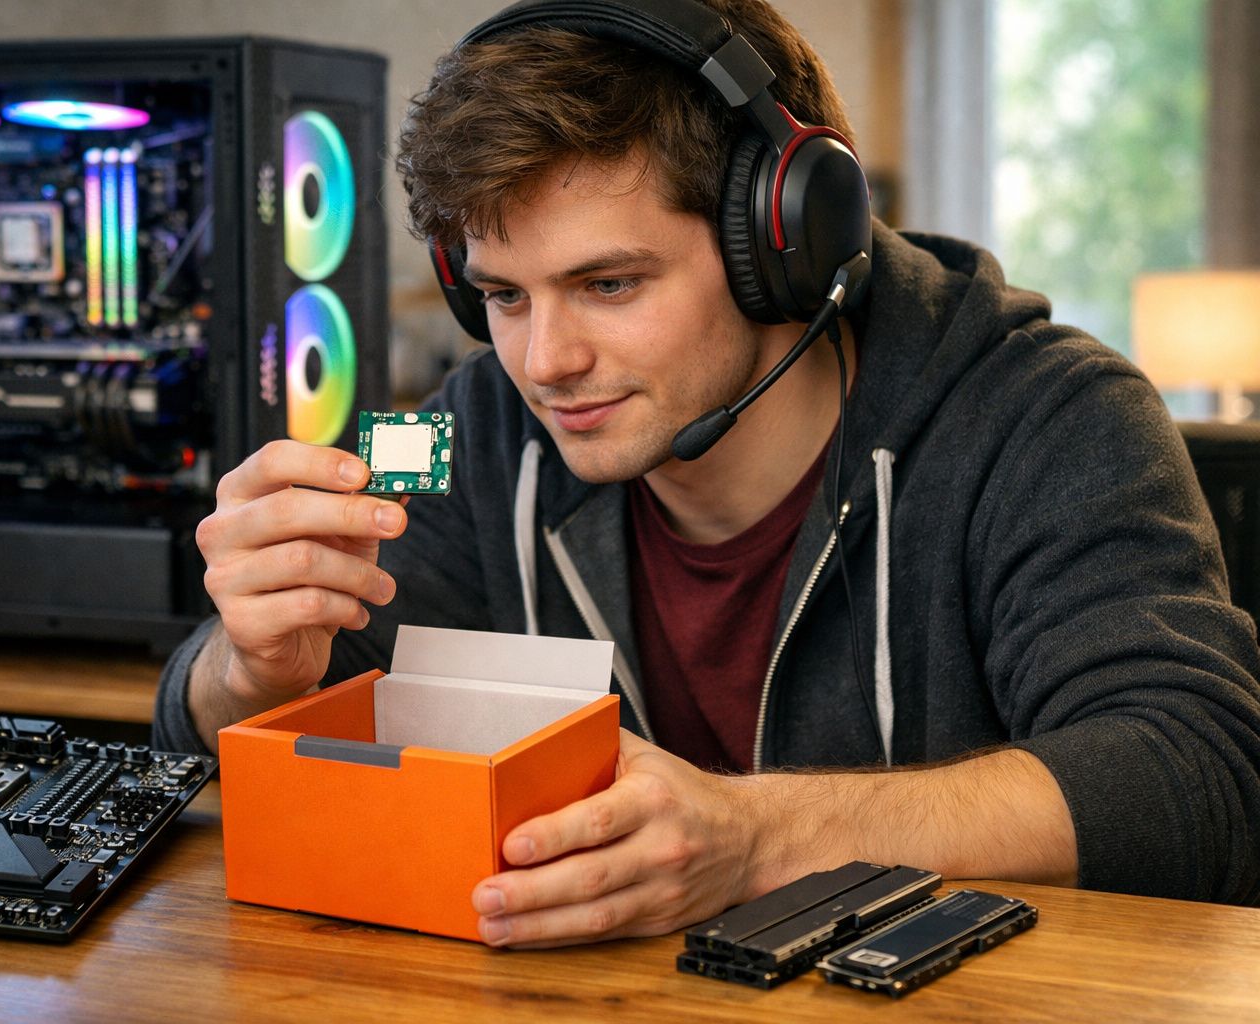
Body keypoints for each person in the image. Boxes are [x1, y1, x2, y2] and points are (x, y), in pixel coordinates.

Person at [154, 0, 1260, 947]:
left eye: (610, 283)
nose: (546, 362)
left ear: (783, 240)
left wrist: (756, 838)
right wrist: (250, 669)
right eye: (502, 296)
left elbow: (1190, 776)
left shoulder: (1042, 415)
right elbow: (195, 742)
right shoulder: (479, 435)